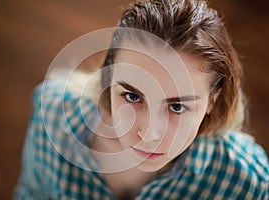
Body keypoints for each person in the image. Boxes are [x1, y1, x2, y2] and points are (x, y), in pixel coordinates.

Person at [14, 0, 268, 199]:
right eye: (132, 96)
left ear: (213, 100)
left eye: (177, 106)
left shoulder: (245, 180)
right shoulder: (54, 115)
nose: (149, 134)